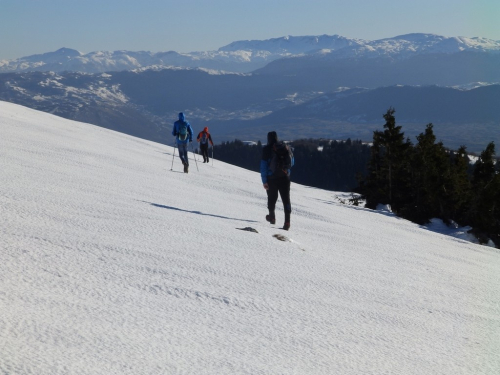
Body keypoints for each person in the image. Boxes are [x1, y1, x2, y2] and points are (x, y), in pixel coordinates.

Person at [260, 131, 294, 230]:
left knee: (272, 198)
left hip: (272, 179)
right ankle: (287, 222)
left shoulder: (266, 149)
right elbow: (292, 162)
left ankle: (272, 217)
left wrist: (264, 181)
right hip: (285, 177)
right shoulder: (285, 147)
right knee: (286, 199)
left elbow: (263, 167)